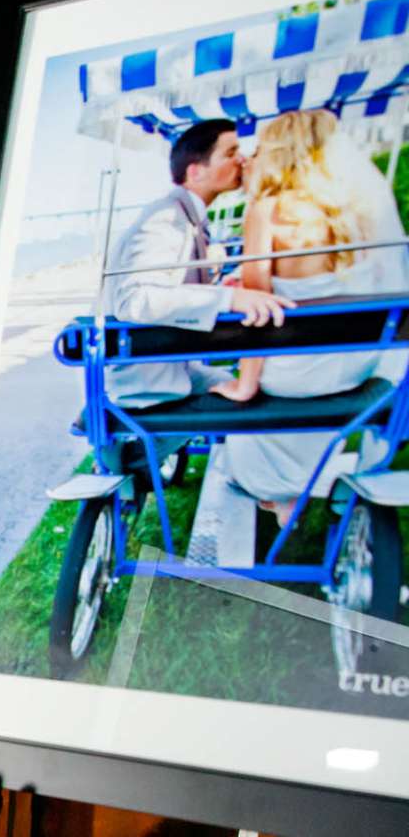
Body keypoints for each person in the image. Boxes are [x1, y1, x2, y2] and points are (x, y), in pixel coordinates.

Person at [192, 113, 409, 564]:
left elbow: (258, 309)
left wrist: (245, 384)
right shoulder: (358, 212)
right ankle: (306, 492)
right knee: (308, 404)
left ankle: (280, 499)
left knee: (253, 428)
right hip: (358, 366)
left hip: (295, 373)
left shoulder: (267, 209)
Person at [103, 118, 295, 412]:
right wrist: (230, 299)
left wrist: (223, 286)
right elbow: (136, 300)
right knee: (257, 399)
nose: (242, 160)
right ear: (195, 171)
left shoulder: (187, 216)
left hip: (177, 367)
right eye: (230, 154)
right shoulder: (166, 219)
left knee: (249, 388)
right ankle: (133, 455)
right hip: (151, 382)